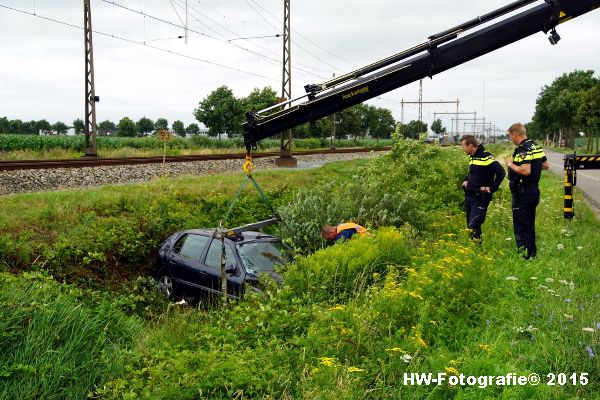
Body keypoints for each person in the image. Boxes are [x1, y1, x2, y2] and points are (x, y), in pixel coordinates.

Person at [504, 122, 550, 259]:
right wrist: (534, 167)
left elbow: (525, 170)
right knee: (529, 224)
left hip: (522, 192)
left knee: (521, 225)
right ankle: (531, 254)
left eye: (510, 136)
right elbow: (545, 165)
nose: (510, 139)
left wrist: (510, 164)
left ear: (515, 134)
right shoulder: (535, 146)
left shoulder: (522, 149)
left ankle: (525, 256)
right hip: (533, 190)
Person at [460, 135, 505, 241]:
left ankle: (477, 249)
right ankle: (477, 251)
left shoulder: (486, 156)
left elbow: (501, 172)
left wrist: (491, 188)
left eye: (463, 146)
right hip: (470, 196)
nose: (463, 149)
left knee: (473, 225)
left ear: (470, 145)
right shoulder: (473, 156)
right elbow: (473, 172)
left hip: (480, 198)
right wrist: (467, 180)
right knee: (471, 229)